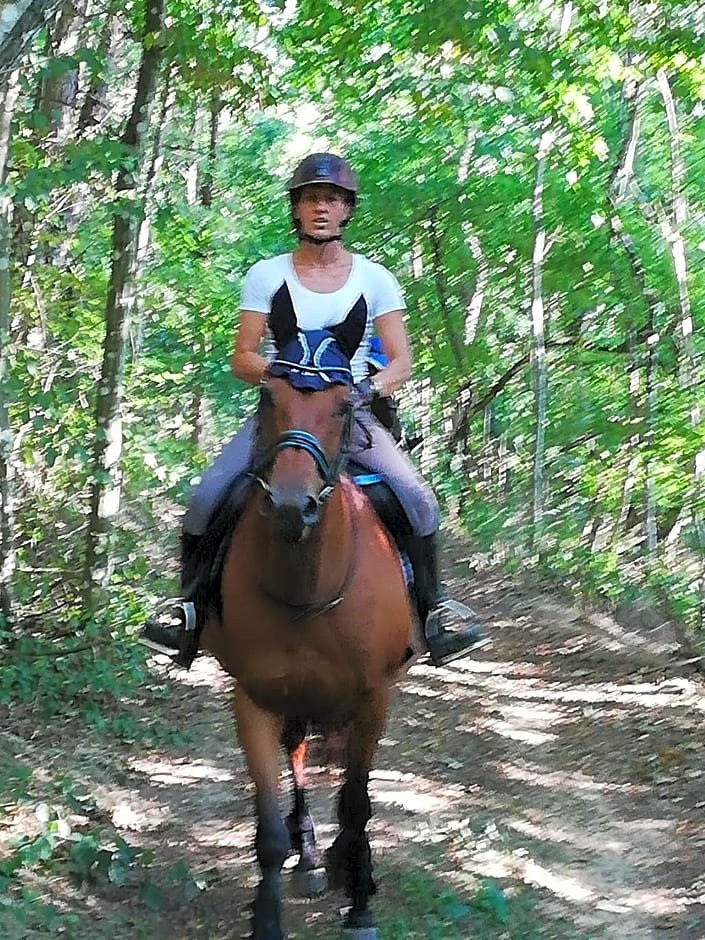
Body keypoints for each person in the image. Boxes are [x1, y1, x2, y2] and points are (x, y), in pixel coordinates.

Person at [141, 153, 490, 667]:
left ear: (346, 210)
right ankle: (186, 613)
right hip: (281, 416)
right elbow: (242, 355)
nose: (321, 208)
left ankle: (435, 614)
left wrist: (363, 390)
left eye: (332, 200)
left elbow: (402, 361)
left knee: (417, 499)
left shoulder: (375, 279)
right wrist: (283, 380)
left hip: (349, 413)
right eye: (310, 199)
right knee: (208, 496)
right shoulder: (266, 275)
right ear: (297, 210)